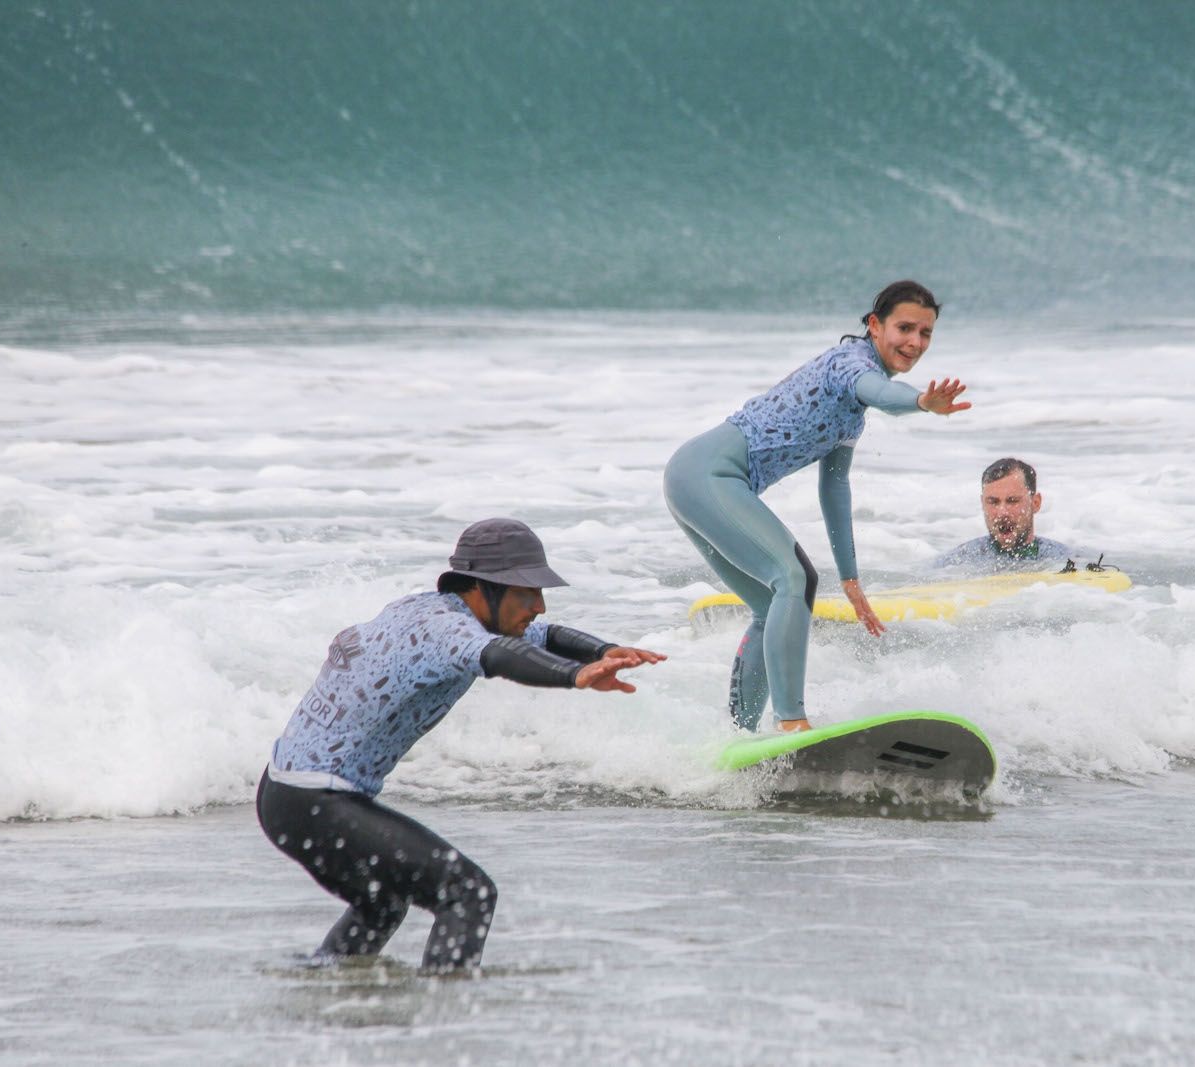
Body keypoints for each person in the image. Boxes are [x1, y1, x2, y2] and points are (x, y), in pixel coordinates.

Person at [256, 518, 664, 973]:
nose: (540, 604)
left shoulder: (442, 612)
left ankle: (323, 981)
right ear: (482, 588)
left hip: (285, 795)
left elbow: (544, 636)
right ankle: (446, 1019)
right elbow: (499, 657)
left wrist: (603, 651)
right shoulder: (441, 631)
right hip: (313, 799)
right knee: (468, 893)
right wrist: (574, 676)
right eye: (527, 592)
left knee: (382, 903)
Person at [664, 279, 971, 734]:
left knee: (774, 605)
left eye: (925, 333)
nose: (915, 343)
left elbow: (835, 485)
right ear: (874, 325)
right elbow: (882, 394)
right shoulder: (850, 364)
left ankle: (739, 737)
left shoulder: (851, 409)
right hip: (708, 475)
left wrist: (850, 579)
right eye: (905, 328)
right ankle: (793, 723)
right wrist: (922, 402)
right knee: (793, 578)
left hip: (694, 480)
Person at [932, 457, 1074, 571]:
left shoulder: (1063, 558)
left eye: (1012, 501)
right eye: (993, 502)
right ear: (983, 503)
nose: (1002, 513)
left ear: (1035, 503)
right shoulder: (956, 561)